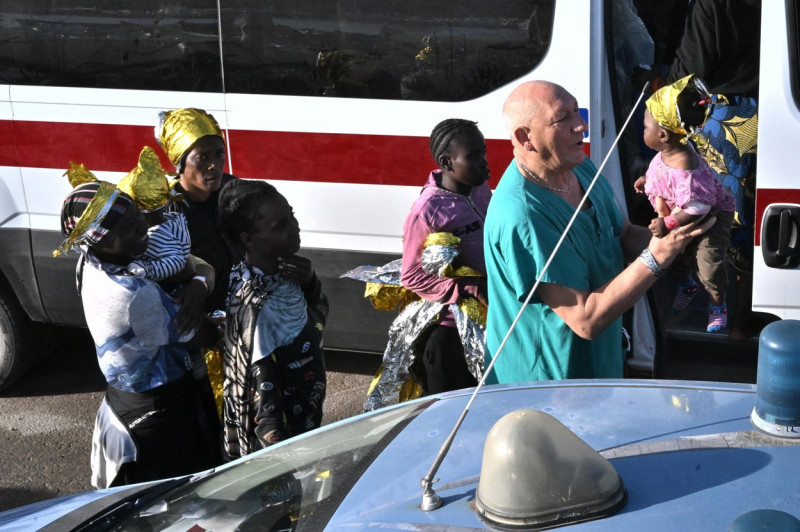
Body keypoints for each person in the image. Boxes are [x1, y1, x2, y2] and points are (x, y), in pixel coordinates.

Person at [483, 80, 715, 384]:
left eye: (577, 111)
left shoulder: (576, 166)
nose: (581, 125)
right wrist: (658, 255)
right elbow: (584, 319)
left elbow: (622, 233)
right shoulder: (523, 215)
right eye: (562, 118)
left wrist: (687, 241)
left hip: (596, 374)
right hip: (546, 388)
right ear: (525, 137)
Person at [54, 180, 222, 488]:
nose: (143, 226)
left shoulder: (90, 263)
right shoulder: (133, 294)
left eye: (137, 216)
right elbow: (206, 334)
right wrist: (201, 283)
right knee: (179, 504)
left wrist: (197, 280)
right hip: (162, 420)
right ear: (101, 240)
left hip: (126, 403)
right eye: (128, 228)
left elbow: (191, 267)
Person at [635, 0, 763, 340]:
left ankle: (703, 295)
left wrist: (657, 82)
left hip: (720, 118)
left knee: (704, 210)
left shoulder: (712, 3)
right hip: (760, 114)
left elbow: (692, 70)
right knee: (744, 215)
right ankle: (742, 315)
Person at [217, 179, 328, 461]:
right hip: (282, 446)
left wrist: (310, 283)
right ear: (248, 239)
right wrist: (281, 459)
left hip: (306, 417)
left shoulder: (288, 275)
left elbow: (315, 323)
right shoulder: (255, 306)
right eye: (280, 226)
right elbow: (262, 397)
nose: (294, 227)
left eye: (291, 215)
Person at [634, 75, 736, 332]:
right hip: (684, 208)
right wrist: (648, 179)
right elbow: (662, 173)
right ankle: (687, 286)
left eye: (645, 128)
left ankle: (717, 303)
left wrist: (667, 222)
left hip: (709, 214)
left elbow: (697, 208)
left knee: (708, 263)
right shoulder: (668, 151)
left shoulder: (686, 168)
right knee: (674, 258)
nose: (643, 131)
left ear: (663, 135)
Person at [399, 118, 491, 393]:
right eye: (473, 156)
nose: (485, 161)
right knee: (453, 415)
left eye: (483, 151)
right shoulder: (427, 210)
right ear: (447, 162)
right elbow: (411, 275)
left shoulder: (480, 188)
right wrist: (468, 287)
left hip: (490, 321)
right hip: (453, 334)